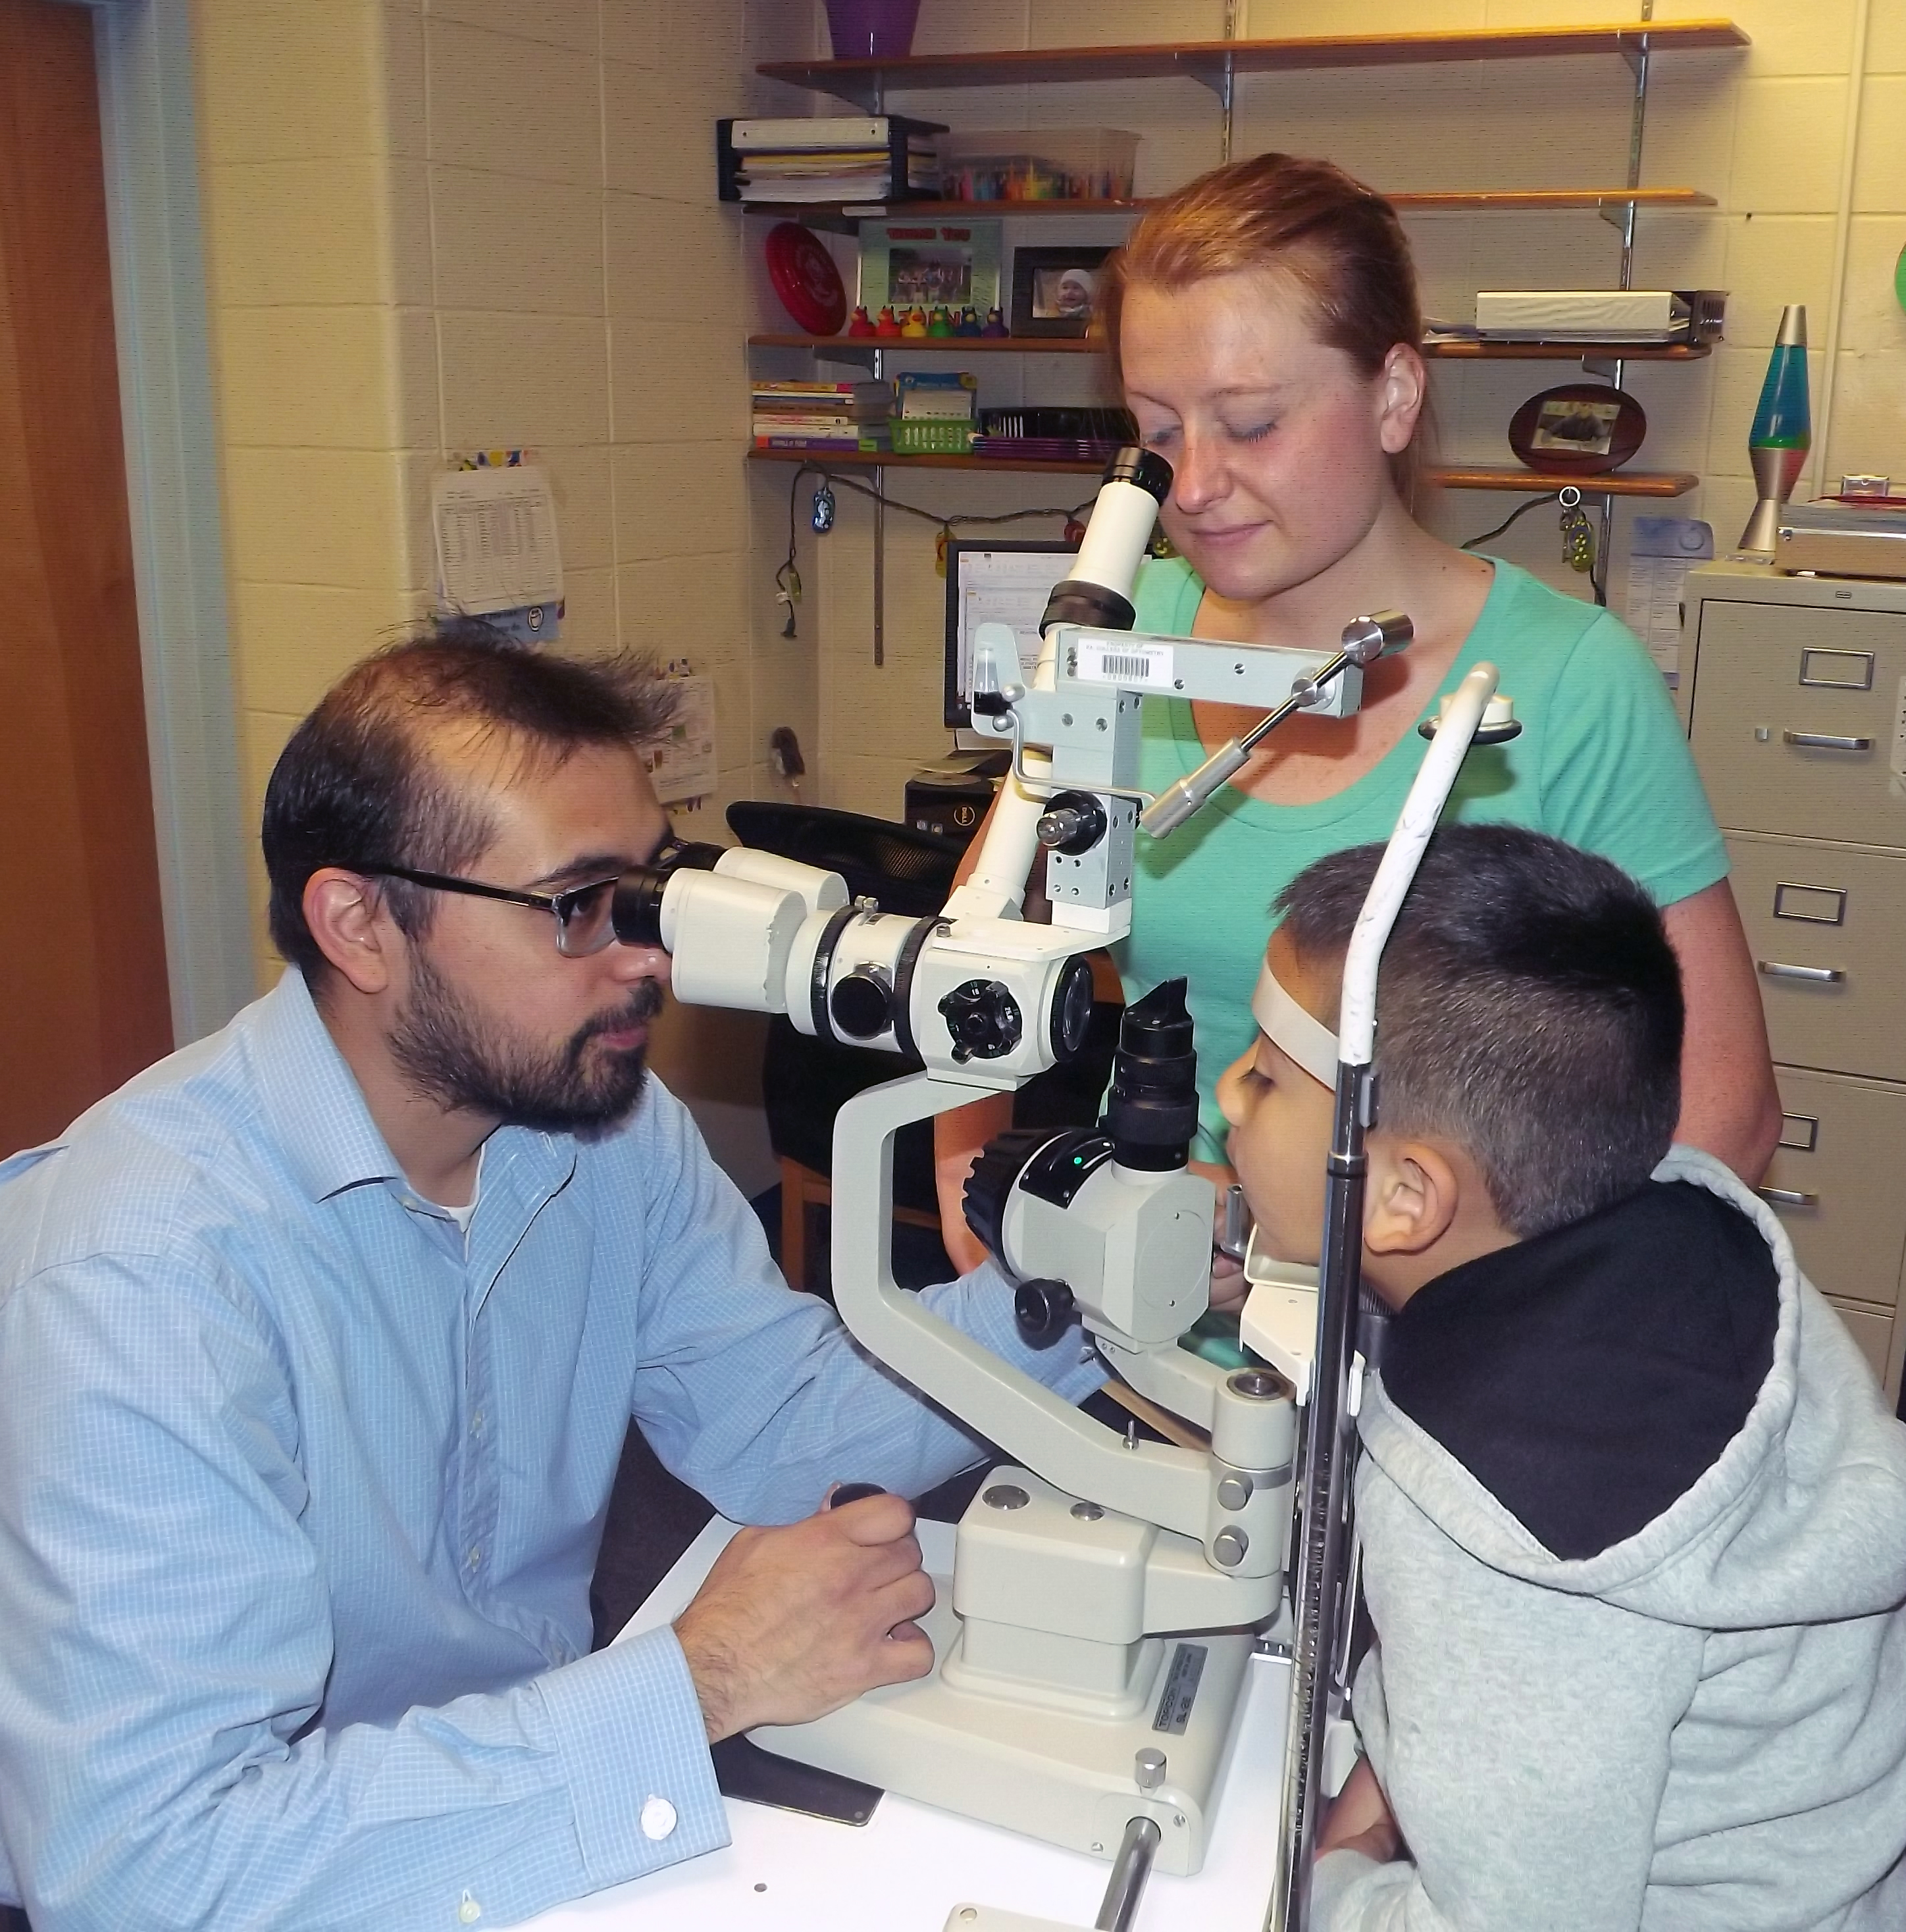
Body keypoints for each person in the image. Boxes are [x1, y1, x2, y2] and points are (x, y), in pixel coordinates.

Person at [0, 626, 1102, 1932]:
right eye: (580, 905)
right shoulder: (143, 1275)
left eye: (653, 890)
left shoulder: (603, 1135)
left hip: (517, 1817)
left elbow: (780, 1428)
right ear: (359, 923)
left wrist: (1080, 1282)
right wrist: (697, 1683)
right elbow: (147, 1870)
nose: (647, 955)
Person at [935, 152, 1781, 1288]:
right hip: (1123, 1319)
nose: (1191, 485)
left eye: (1251, 423)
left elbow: (1724, 1124)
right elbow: (969, 964)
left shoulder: (1572, 684)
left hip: (1426, 1363)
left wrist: (1300, 1258)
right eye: (1159, 428)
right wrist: (982, 1211)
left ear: (1394, 395)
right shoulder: (1126, 635)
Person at [1221, 823, 1906, 1930]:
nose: (1228, 1094)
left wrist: (1331, 1893)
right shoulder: (1688, 1225)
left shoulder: (1495, 1527)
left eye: (1263, 1075)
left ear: (1407, 1198)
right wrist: (1396, 1765)